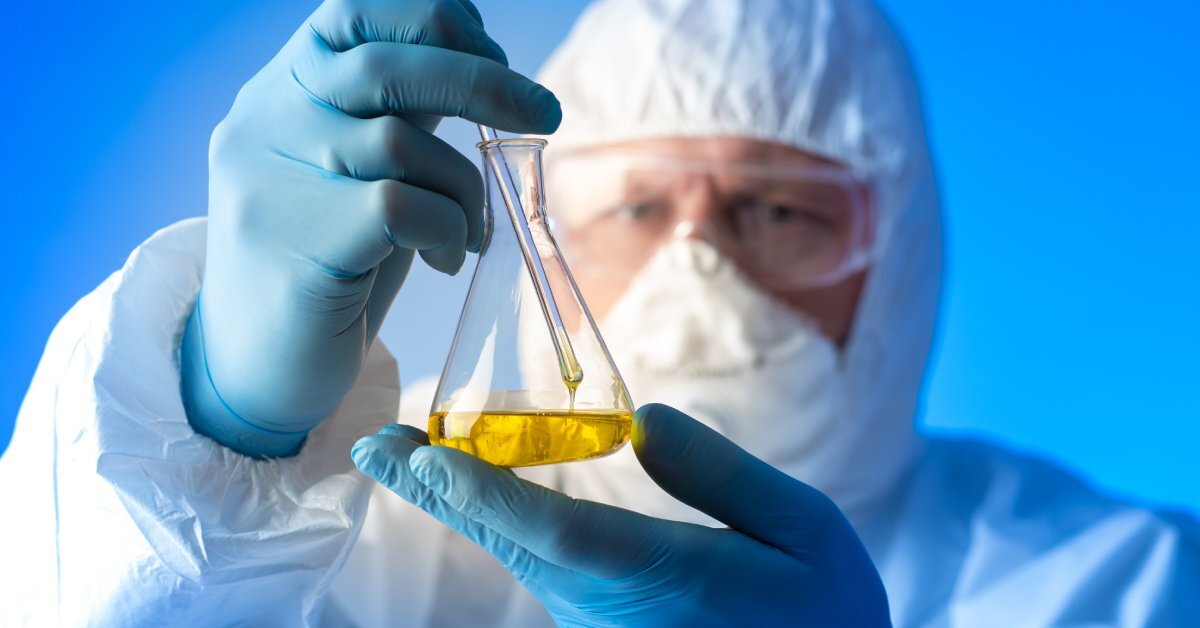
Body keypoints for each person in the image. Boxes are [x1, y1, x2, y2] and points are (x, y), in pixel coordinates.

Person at [1, 0, 1196, 625]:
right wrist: (220, 425)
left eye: (780, 211)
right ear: (544, 224)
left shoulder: (1118, 586)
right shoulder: (382, 516)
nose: (699, 268)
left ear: (902, 250)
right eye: (631, 208)